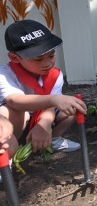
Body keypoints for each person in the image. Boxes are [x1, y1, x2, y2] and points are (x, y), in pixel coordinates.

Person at [1, 19, 87, 154]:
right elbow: (15, 100)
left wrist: (44, 124)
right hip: (14, 125)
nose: (47, 63)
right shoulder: (5, 74)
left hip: (39, 116)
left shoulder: (55, 75)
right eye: (38, 59)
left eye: (51, 55)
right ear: (15, 57)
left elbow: (51, 107)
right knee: (8, 112)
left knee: (71, 109)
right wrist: (54, 99)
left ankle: (52, 139)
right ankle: (11, 149)